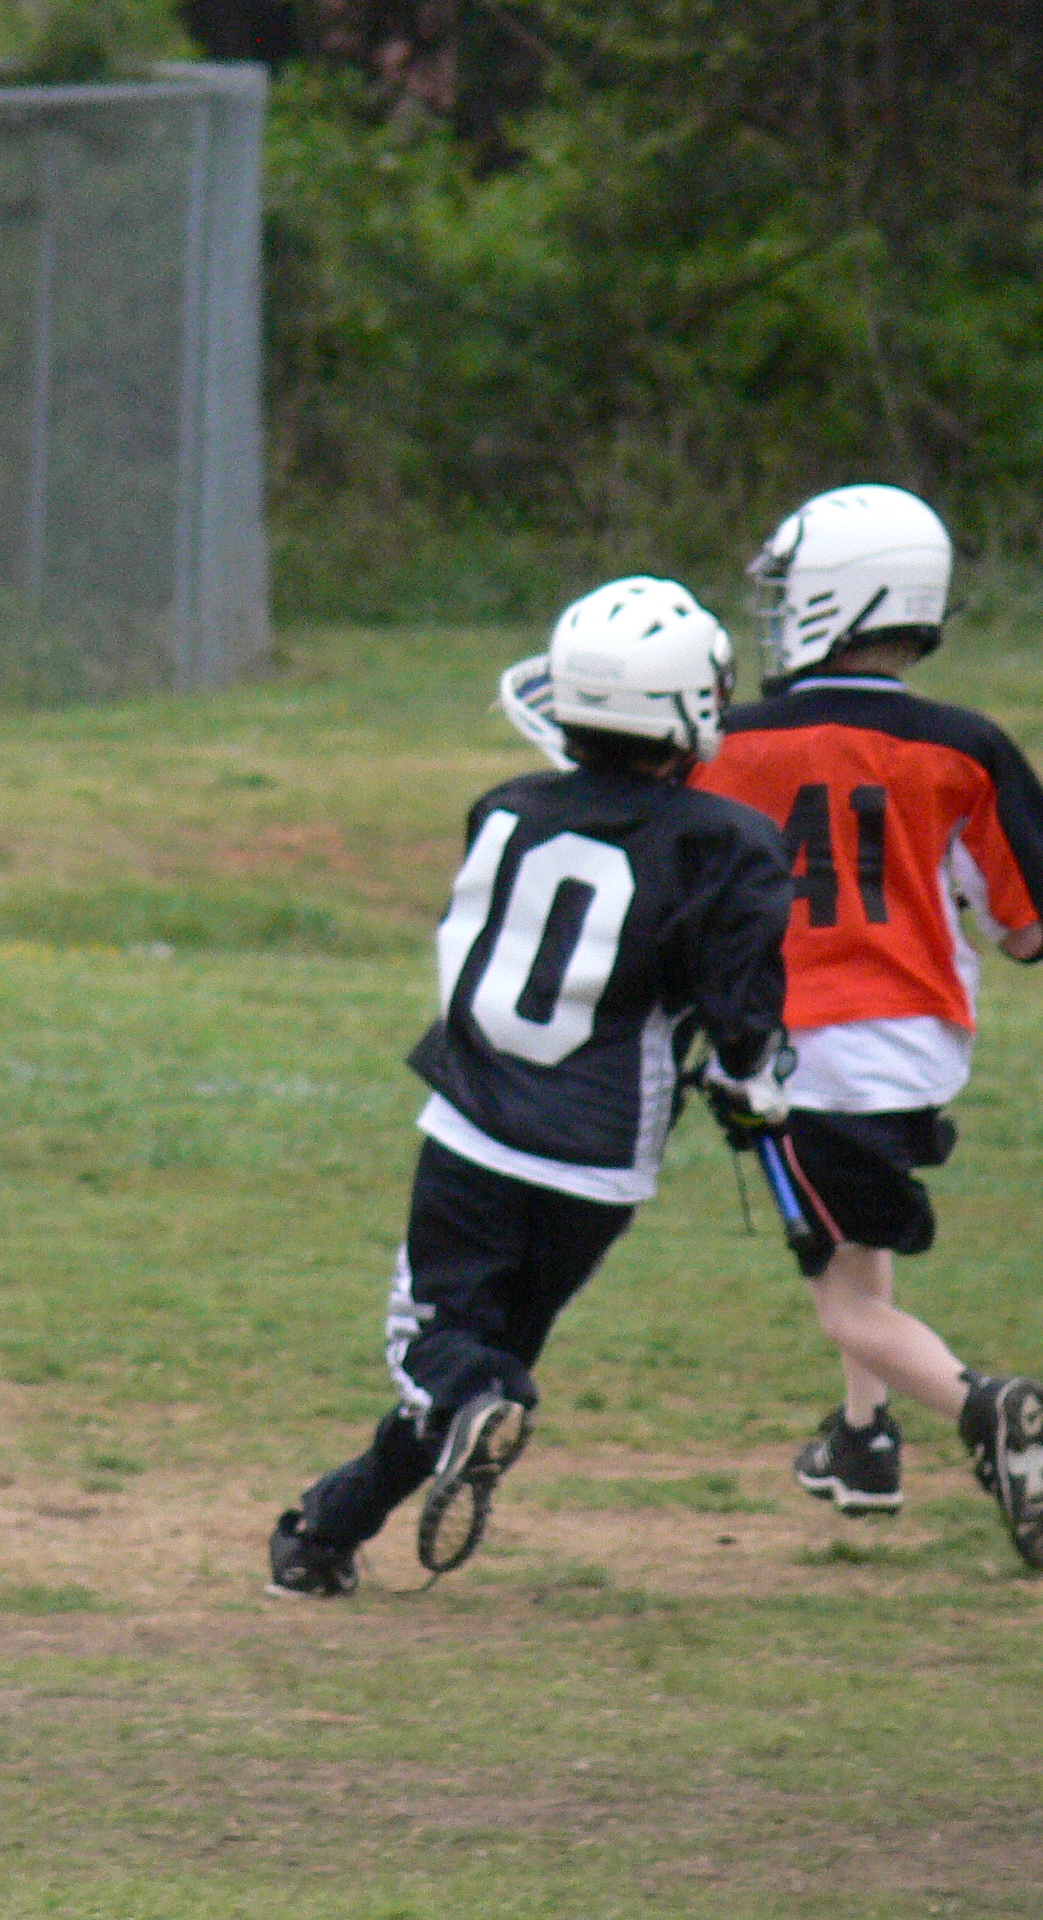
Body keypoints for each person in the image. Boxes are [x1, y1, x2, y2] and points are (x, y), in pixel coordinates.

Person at [270, 577, 793, 1598]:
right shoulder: (728, 841)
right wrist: (751, 1082)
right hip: (601, 1164)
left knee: (440, 1355)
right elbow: (742, 1014)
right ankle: (326, 1530)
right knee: (480, 1365)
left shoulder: (506, 807)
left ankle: (458, 1417)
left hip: (474, 1129)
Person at [689, 484, 1043, 1566]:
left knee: (844, 1299)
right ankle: (861, 1440)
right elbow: (1026, 930)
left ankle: (989, 1410)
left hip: (800, 1049)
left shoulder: (726, 745)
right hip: (920, 1049)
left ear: (834, 600)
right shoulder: (966, 746)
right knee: (854, 1232)